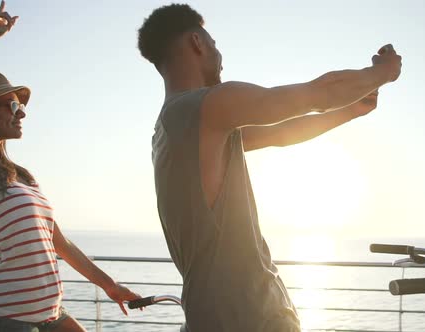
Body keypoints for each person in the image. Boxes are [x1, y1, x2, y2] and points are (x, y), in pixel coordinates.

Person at [137, 3, 402, 332]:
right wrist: (383, 72)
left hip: (212, 316)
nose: (220, 55)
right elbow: (315, 94)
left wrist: (351, 110)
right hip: (248, 317)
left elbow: (281, 132)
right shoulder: (204, 106)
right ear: (197, 43)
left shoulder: (173, 129)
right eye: (214, 44)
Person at [0, 2, 142, 331]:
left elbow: (60, 243)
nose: (22, 112)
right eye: (13, 104)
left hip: (49, 314)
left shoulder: (21, 177)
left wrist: (109, 285)